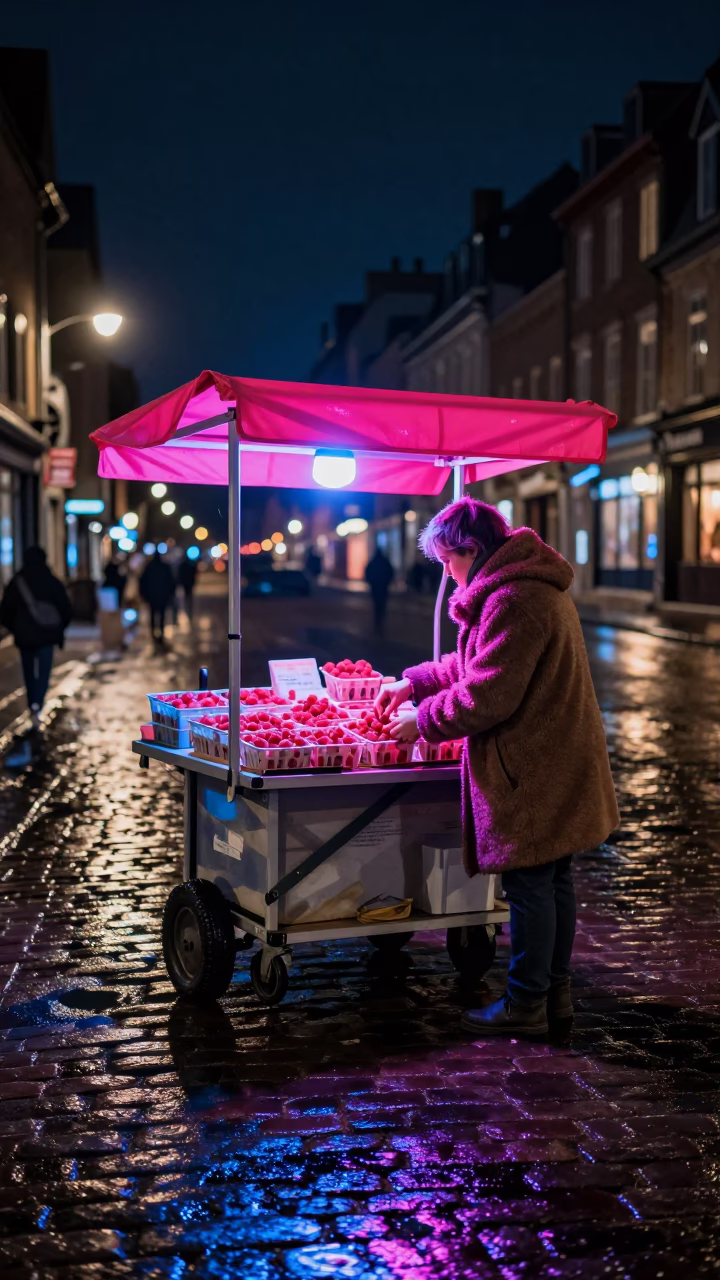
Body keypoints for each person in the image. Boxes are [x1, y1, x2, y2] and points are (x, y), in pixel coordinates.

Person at [376, 497, 619, 1038]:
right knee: (552, 880)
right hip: (553, 756)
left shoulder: (515, 598)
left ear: (471, 549)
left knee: (531, 884)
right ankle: (554, 996)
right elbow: (476, 662)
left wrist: (424, 719)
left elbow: (489, 693)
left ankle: (526, 1003)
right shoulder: (520, 586)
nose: (447, 572)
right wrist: (413, 682)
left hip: (533, 765)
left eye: (448, 560)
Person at [0, 545, 72, 727]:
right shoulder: (51, 580)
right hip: (46, 635)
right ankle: (38, 704)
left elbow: (5, 610)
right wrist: (58, 628)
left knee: (28, 671)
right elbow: (65, 608)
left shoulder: (18, 582)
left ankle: (32, 703)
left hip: (25, 636)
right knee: (44, 672)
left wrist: (16, 628)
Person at [139, 550, 176, 645]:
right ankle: (161, 633)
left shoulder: (149, 567)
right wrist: (170, 595)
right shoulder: (164, 567)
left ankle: (154, 634)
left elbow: (142, 582)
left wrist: (144, 595)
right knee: (161, 615)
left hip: (152, 597)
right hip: (162, 597)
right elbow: (171, 582)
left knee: (153, 615)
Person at [365, 547, 394, 634]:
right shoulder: (385, 562)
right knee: (382, 604)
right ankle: (380, 620)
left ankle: (378, 621)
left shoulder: (373, 562)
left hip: (376, 587)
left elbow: (368, 572)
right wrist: (387, 582)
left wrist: (371, 582)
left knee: (377, 604)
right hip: (383, 587)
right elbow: (390, 573)